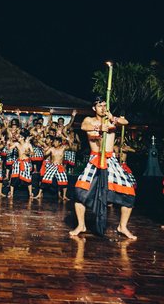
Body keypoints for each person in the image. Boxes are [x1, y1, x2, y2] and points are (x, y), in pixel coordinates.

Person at [70, 97, 137, 239]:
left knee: (129, 192)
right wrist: (99, 128)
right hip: (95, 159)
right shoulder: (90, 120)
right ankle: (81, 225)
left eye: (105, 105)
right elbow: (83, 126)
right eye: (100, 106)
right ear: (94, 108)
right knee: (79, 192)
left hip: (111, 160)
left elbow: (125, 122)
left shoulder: (111, 119)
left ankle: (122, 226)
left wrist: (112, 118)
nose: (103, 108)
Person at [36, 136, 69, 201]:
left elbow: (71, 146)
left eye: (56, 142)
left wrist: (67, 139)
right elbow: (45, 154)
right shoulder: (52, 149)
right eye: (54, 141)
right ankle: (39, 194)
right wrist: (43, 150)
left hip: (60, 166)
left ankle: (64, 196)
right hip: (52, 165)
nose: (54, 143)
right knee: (45, 179)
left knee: (64, 181)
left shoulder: (63, 148)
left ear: (59, 143)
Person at [8, 130, 34, 199]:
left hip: (26, 162)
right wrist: (9, 143)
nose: (18, 138)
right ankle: (11, 193)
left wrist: (28, 153)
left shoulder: (28, 144)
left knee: (27, 178)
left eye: (19, 137)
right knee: (13, 177)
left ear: (23, 138)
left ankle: (30, 194)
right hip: (18, 162)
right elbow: (9, 148)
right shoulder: (17, 144)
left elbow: (32, 153)